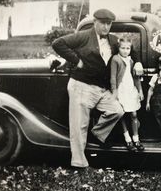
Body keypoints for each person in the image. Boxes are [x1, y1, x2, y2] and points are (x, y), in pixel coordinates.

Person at [52, 9, 141, 169]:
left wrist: (138, 62)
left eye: (109, 23)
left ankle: (96, 134)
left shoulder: (114, 40)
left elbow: (131, 50)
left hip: (101, 89)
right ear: (95, 22)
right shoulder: (84, 36)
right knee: (79, 126)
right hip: (81, 86)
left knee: (117, 111)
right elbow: (58, 43)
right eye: (103, 23)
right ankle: (79, 163)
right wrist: (76, 60)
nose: (106, 27)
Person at [110, 39, 145, 152]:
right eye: (122, 48)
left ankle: (136, 139)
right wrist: (114, 92)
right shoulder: (115, 59)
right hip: (121, 89)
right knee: (123, 114)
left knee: (134, 114)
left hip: (130, 88)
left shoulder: (131, 61)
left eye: (128, 48)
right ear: (118, 48)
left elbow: (136, 78)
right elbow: (113, 77)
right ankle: (128, 139)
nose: (125, 51)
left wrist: (140, 90)